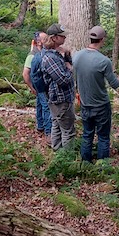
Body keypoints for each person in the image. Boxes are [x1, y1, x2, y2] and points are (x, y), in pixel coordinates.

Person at [73, 25, 119, 163]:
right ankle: (103, 167)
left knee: (87, 135)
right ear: (102, 40)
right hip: (101, 106)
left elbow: (73, 75)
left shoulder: (77, 56)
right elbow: (115, 84)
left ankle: (85, 164)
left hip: (85, 104)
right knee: (103, 137)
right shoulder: (104, 61)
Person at [40, 22, 76, 151]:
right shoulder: (50, 58)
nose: (65, 38)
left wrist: (67, 57)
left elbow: (65, 68)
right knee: (68, 131)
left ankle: (57, 153)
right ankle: (67, 159)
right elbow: (63, 80)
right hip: (61, 100)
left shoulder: (55, 54)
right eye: (62, 36)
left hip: (60, 99)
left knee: (57, 125)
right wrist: (70, 69)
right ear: (54, 38)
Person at [23, 31, 51, 136]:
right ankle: (49, 132)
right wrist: (32, 87)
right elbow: (25, 74)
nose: (48, 41)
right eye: (45, 39)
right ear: (39, 42)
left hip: (41, 84)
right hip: (39, 85)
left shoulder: (42, 53)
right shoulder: (32, 56)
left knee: (40, 104)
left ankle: (40, 126)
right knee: (46, 106)